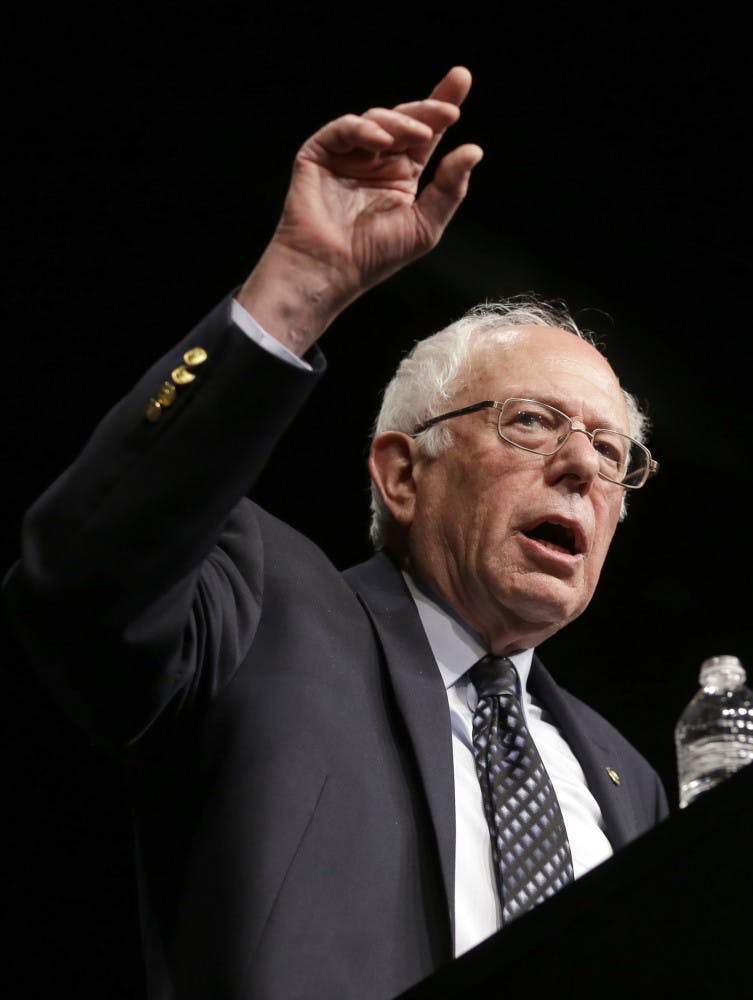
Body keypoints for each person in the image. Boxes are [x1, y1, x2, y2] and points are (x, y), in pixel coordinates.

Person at [3, 67, 668, 999]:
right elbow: (80, 569)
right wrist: (295, 292)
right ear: (400, 472)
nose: (581, 468)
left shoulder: (626, 778)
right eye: (529, 421)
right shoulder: (261, 601)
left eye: (611, 453)